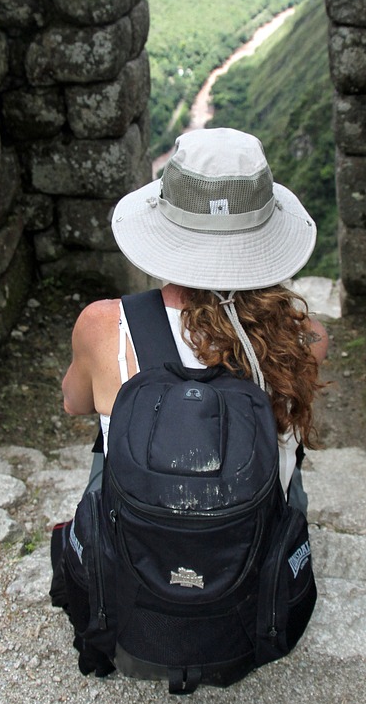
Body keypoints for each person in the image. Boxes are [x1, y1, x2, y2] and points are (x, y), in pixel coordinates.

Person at [61, 127, 328, 507]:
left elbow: (74, 403)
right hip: (250, 549)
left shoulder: (104, 327)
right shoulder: (303, 339)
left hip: (142, 551)